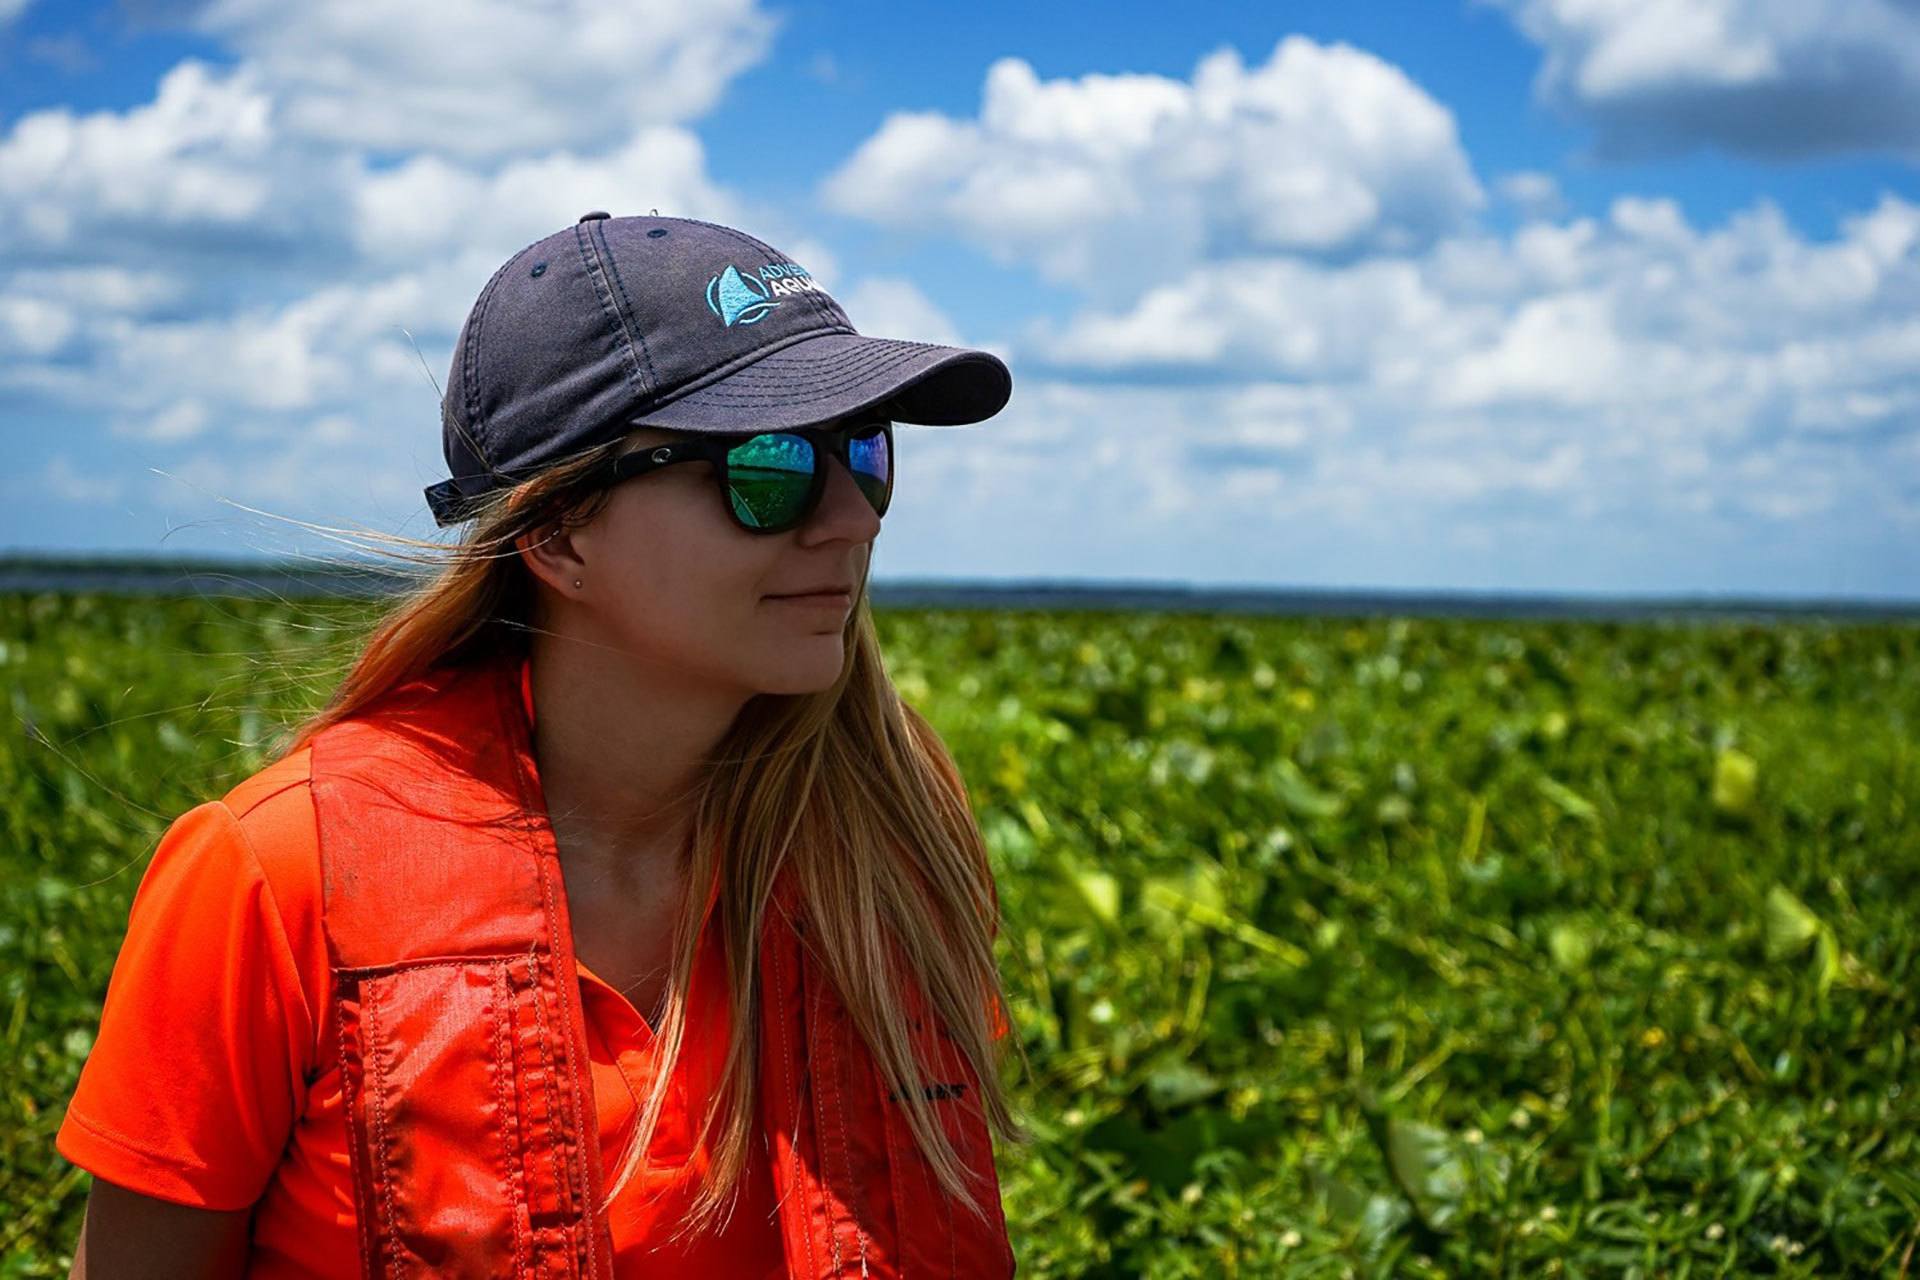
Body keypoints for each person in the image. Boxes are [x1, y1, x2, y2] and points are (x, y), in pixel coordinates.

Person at [57, 212, 1028, 1278]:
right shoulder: (277, 872)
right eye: (770, 466)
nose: (851, 515)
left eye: (863, 450)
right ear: (557, 533)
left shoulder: (889, 826)